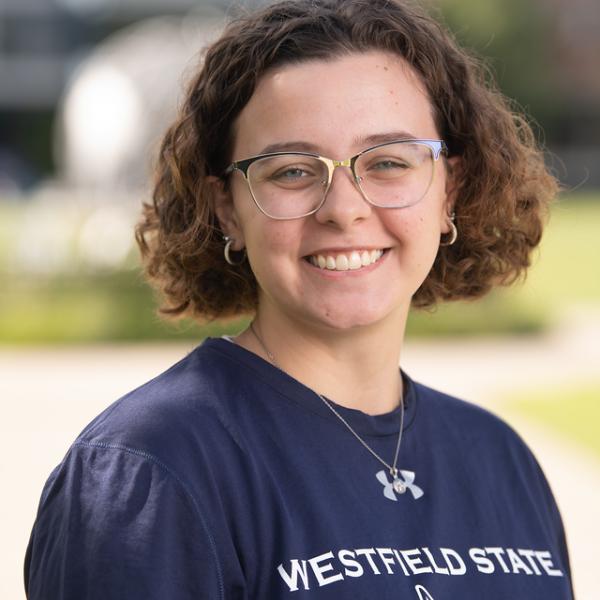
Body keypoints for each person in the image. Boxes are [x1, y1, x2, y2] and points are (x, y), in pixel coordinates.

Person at [24, 0, 573, 598]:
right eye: (291, 171)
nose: (344, 208)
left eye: (388, 161)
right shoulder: (149, 470)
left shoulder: (501, 459)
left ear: (450, 191)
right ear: (227, 208)